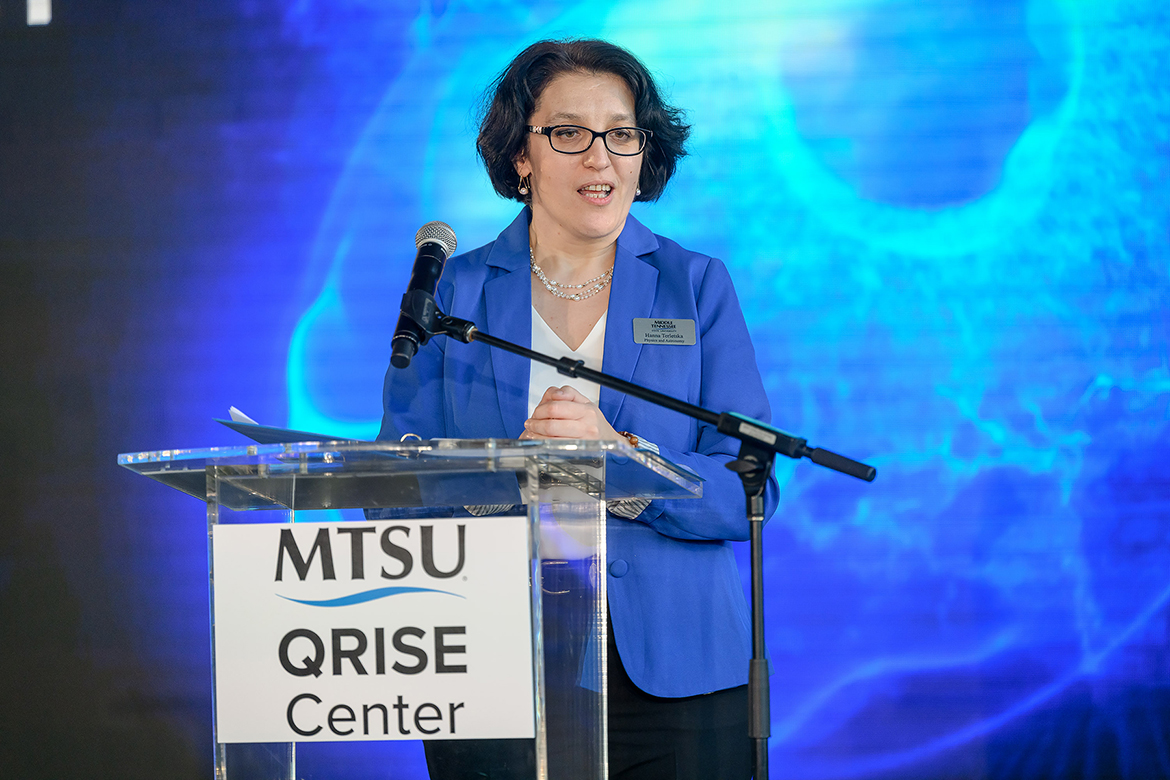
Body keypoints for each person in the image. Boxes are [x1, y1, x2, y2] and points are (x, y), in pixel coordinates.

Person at [378, 38, 780, 780]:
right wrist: (511, 473)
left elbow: (748, 491)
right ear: (521, 158)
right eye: (569, 133)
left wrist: (623, 466)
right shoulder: (452, 294)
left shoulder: (694, 286)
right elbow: (393, 493)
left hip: (680, 669)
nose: (601, 157)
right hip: (492, 666)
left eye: (622, 134)